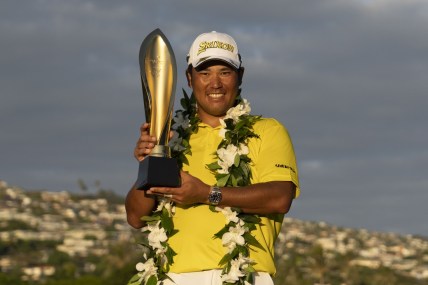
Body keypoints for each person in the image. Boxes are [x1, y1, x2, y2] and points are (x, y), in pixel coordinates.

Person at [126, 31, 300, 285]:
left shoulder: (268, 130)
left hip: (242, 275)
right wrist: (150, 163)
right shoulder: (170, 138)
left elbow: (280, 197)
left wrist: (207, 193)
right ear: (189, 77)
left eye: (225, 72)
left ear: (240, 76)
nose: (215, 83)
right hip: (173, 278)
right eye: (205, 73)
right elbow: (135, 218)